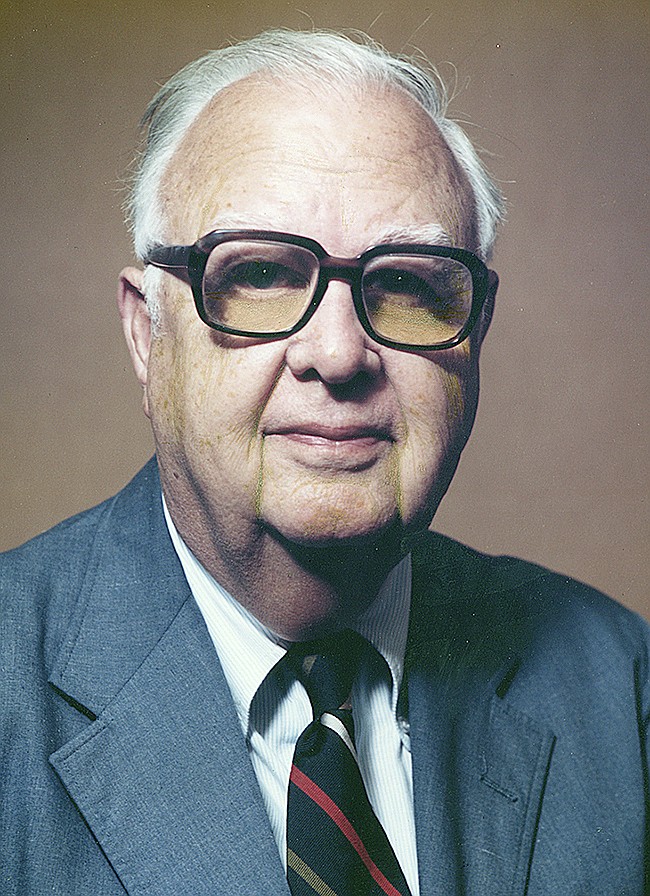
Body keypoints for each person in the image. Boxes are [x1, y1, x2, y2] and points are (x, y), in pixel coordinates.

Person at [1, 29, 647, 896]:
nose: (339, 353)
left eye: (411, 283)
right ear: (146, 334)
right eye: (262, 273)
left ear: (476, 335)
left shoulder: (619, 684)